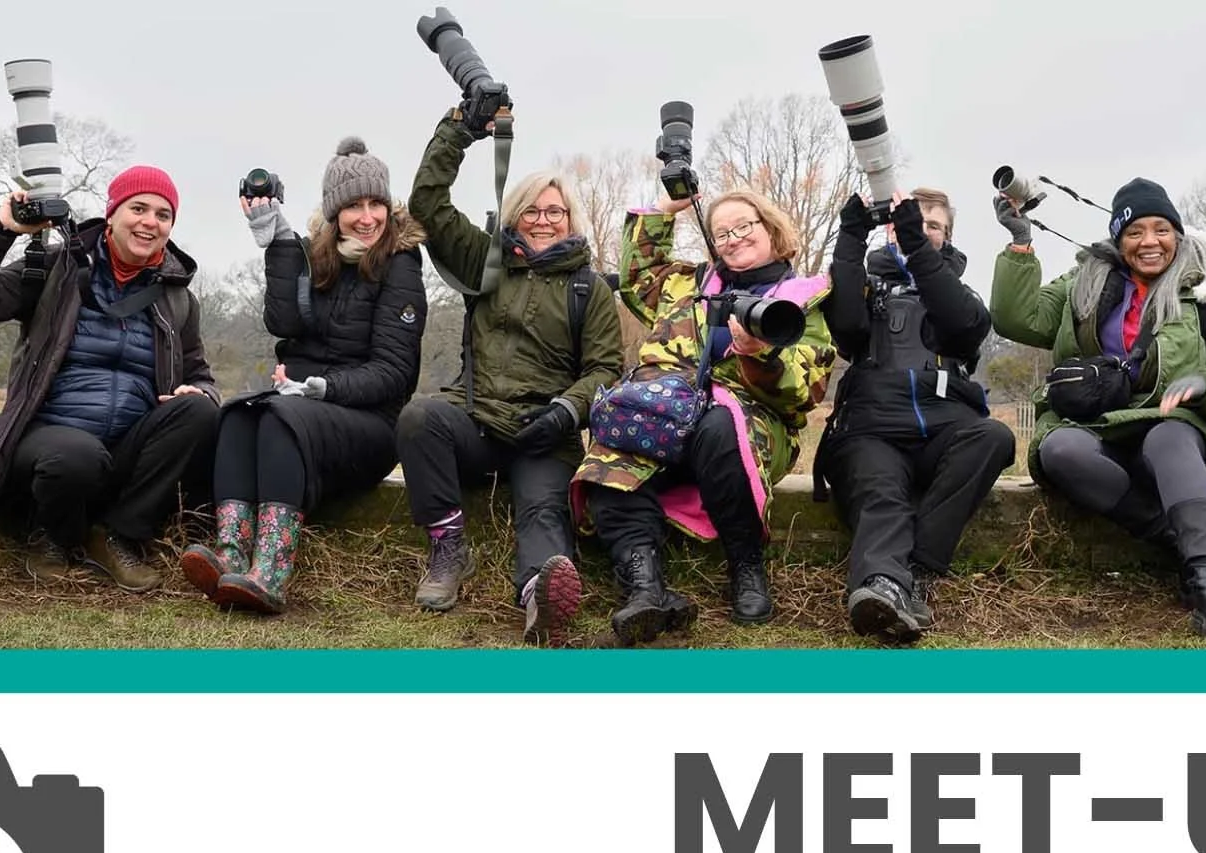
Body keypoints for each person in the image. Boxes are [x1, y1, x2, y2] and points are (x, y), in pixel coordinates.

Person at [991, 178, 1206, 642]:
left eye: (1161, 229)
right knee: (1060, 449)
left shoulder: (1205, 293)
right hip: (1091, 422)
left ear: (1177, 234)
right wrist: (1021, 244)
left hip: (1169, 424)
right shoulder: (1083, 282)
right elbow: (1014, 318)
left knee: (1171, 436)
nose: (1149, 242)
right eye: (1135, 231)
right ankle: (1177, 544)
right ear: (1118, 239)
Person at [399, 103, 623, 645]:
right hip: (476, 419)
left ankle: (539, 597)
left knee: (543, 510)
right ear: (515, 215)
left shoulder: (586, 288)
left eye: (555, 211)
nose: (543, 220)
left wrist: (566, 412)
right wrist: (459, 130)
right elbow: (427, 204)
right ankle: (448, 550)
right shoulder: (486, 261)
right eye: (532, 211)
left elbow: (605, 368)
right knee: (418, 417)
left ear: (569, 219)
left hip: (544, 433)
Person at [0, 166, 219, 592]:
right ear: (112, 214)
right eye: (138, 208)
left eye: (163, 215)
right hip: (51, 435)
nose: (150, 222)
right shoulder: (56, 267)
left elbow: (200, 374)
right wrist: (0, 229)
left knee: (198, 410)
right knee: (75, 455)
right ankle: (51, 533)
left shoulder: (178, 299)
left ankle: (115, 535)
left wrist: (201, 390)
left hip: (127, 447)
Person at [575, 188, 837, 645]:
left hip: (752, 424)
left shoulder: (803, 301)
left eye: (743, 227)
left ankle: (746, 565)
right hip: (667, 410)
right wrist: (663, 211)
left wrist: (760, 355)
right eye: (722, 234)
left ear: (770, 227)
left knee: (719, 423)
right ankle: (645, 587)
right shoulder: (688, 285)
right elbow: (638, 278)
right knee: (613, 443)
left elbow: (803, 394)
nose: (733, 239)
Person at [179, 138, 427, 614]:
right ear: (335, 212)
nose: (368, 216)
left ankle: (270, 570)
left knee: (279, 416)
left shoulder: (401, 266)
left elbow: (395, 373)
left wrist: (322, 388)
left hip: (370, 424)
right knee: (238, 413)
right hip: (303, 406)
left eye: (377, 203)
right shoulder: (319, 259)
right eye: (354, 205)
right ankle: (231, 554)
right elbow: (284, 325)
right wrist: (278, 246)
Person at [819, 188, 1016, 643]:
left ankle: (912, 571)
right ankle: (881, 588)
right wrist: (850, 237)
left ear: (947, 238)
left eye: (934, 226)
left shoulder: (961, 293)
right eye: (912, 223)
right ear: (888, 230)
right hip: (871, 428)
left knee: (993, 438)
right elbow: (846, 326)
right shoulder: (866, 285)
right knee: (882, 491)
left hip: (945, 422)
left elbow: (963, 326)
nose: (923, 231)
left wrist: (916, 247)